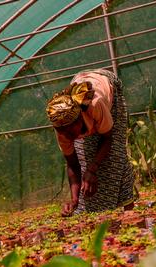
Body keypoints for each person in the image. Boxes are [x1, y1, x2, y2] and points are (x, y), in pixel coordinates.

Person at [46, 69, 135, 216]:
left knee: (114, 156)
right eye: (63, 132)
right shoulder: (61, 128)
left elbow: (108, 138)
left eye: (70, 131)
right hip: (79, 80)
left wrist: (92, 169)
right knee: (83, 158)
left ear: (80, 118)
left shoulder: (96, 104)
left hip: (106, 83)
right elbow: (73, 164)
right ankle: (87, 211)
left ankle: (129, 210)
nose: (68, 136)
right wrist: (74, 199)